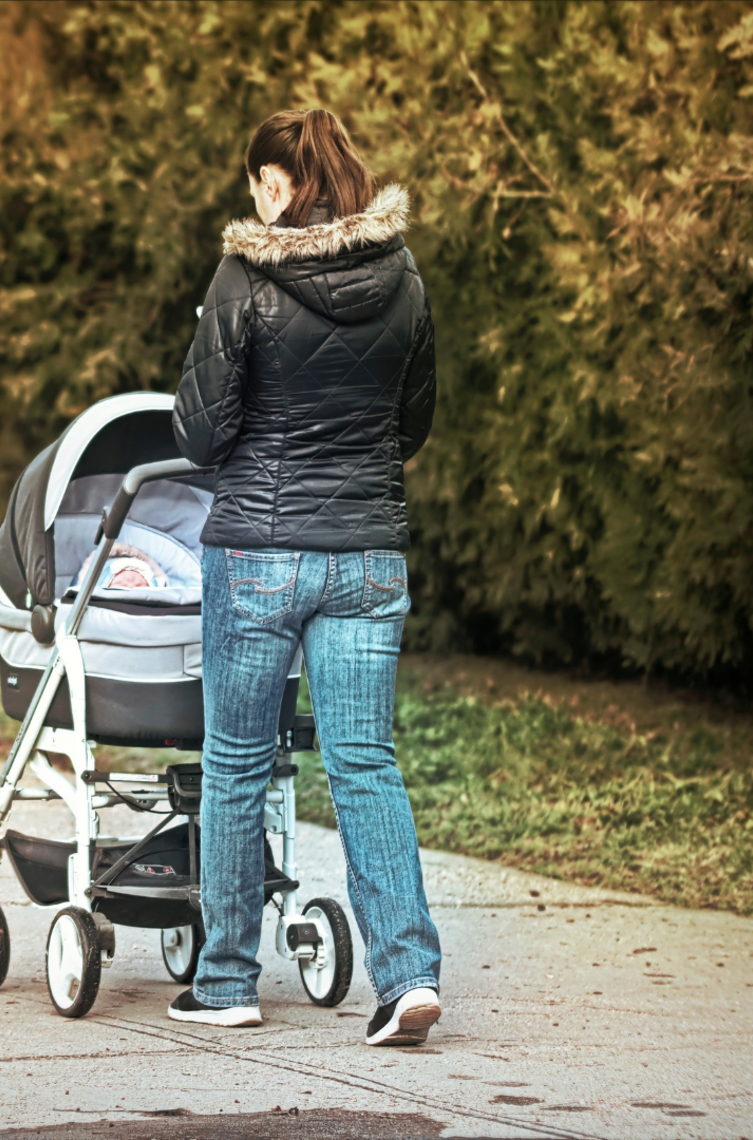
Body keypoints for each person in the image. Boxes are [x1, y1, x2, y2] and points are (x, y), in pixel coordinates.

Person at [169, 108, 442, 1046]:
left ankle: (226, 981)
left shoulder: (244, 276)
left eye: (258, 182)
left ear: (279, 183)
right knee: (365, 762)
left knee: (237, 763)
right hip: (367, 556)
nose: (254, 198)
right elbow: (413, 423)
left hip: (258, 552)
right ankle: (408, 978)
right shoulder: (404, 276)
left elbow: (199, 432)